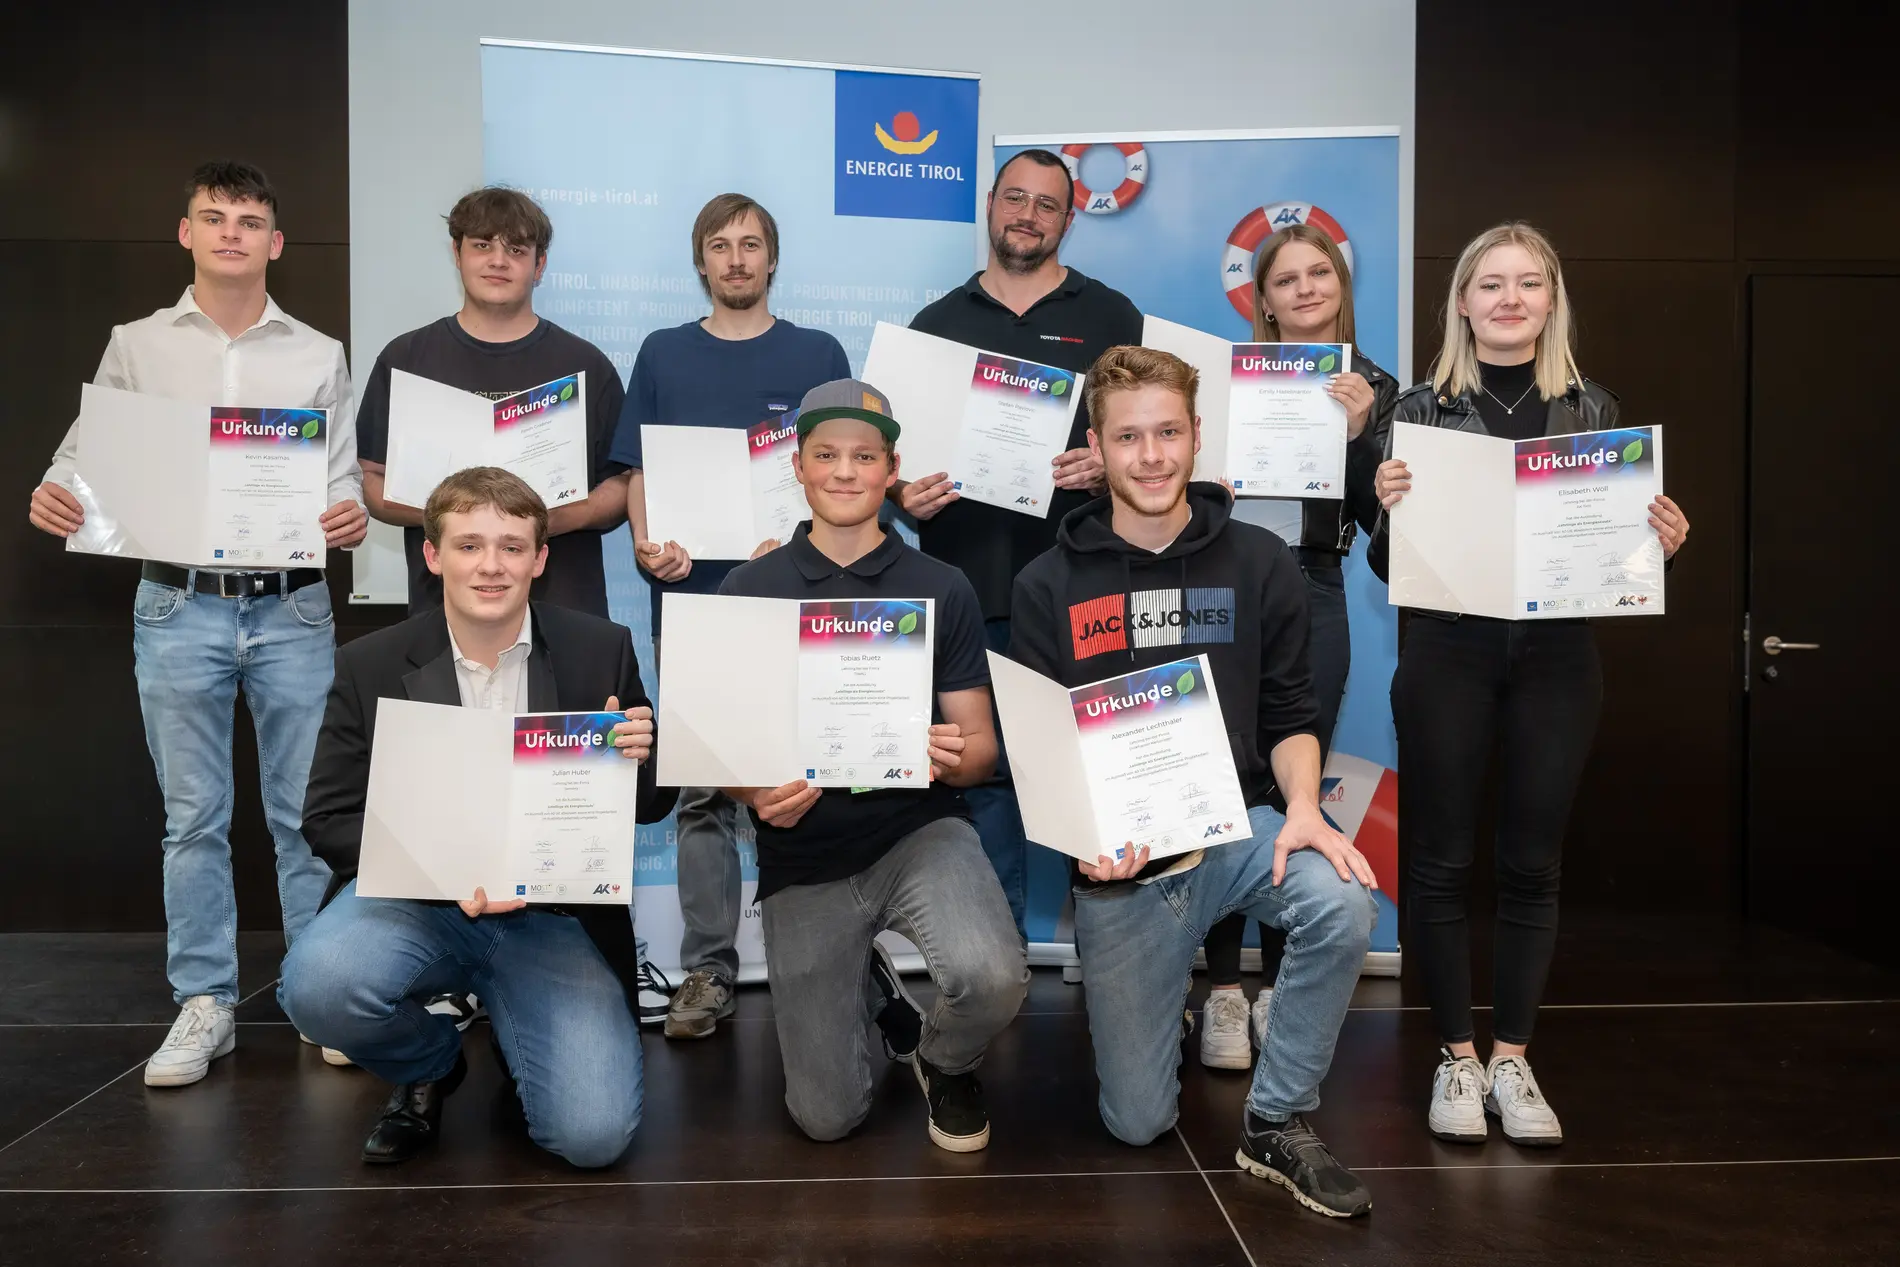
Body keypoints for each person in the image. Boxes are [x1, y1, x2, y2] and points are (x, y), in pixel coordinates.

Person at [1010, 346, 1376, 1219]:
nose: (1151, 455)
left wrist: (1301, 809)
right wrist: (1082, 840)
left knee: (1343, 899)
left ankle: (1276, 1117)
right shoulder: (1044, 584)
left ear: (1197, 435)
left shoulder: (1260, 561)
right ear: (1095, 449)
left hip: (1239, 833)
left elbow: (1292, 714)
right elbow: (1042, 750)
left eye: (1168, 431)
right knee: (1137, 1123)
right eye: (1128, 436)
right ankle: (1155, 1002)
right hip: (1126, 865)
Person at [27, 161, 367, 1086]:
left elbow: (338, 474)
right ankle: (205, 1002)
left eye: (249, 220)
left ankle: (315, 988)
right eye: (213, 219)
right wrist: (57, 491)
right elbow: (83, 454)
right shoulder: (136, 344)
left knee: (307, 815)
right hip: (178, 603)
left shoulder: (318, 352)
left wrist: (349, 512)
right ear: (186, 234)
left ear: (275, 242)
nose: (231, 233)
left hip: (293, 604)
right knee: (194, 817)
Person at [1368, 222, 1691, 1147]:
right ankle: (1457, 1060)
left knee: (1531, 863)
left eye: (1529, 284)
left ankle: (1513, 1056)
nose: (1509, 299)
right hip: (1447, 652)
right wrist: (1387, 509)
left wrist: (1659, 542)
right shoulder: (1419, 412)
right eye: (1491, 284)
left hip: (1556, 659)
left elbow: (1614, 555)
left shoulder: (1596, 409)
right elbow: (1395, 565)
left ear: (1552, 301)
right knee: (1435, 859)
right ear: (1462, 303)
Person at [280, 467, 676, 1167]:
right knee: (318, 986)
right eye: (468, 546)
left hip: (553, 917)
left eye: (511, 546)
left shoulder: (600, 648)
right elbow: (329, 817)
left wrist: (642, 756)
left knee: (590, 1138)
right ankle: (428, 1062)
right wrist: (442, 871)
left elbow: (649, 807)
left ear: (540, 557)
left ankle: (520, 1033)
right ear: (433, 556)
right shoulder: (367, 663)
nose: (490, 565)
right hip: (420, 902)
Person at [350, 185, 669, 1024]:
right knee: (452, 789)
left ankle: (567, 968)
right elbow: (374, 483)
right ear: (457, 253)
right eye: (482, 243)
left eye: (517, 247)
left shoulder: (585, 363)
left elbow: (620, 487)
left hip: (559, 609)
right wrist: (462, 520)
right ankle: (445, 970)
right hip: (448, 619)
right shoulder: (407, 357)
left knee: (560, 799)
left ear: (539, 263)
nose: (498, 258)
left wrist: (537, 523)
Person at [720, 379, 1028, 1152]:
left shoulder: (941, 586)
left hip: (918, 829)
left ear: (893, 469)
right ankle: (871, 985)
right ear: (797, 466)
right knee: (827, 1119)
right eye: (827, 454)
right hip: (807, 853)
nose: (845, 471)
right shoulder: (749, 588)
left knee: (993, 976)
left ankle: (942, 1055)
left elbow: (982, 745)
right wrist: (752, 791)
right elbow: (719, 749)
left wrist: (954, 758)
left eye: (865, 456)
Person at [609, 193, 851, 1040]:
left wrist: (789, 542)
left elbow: (842, 466)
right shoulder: (664, 353)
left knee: (812, 777)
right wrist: (647, 543)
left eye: (752, 244)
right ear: (701, 261)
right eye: (721, 245)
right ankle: (707, 970)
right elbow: (638, 467)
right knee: (707, 795)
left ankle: (824, 960)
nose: (737, 259)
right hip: (697, 603)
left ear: (773, 258)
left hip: (801, 601)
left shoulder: (817, 351)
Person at [899, 148, 1144, 935]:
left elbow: (1145, 443)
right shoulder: (934, 327)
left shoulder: (1112, 318)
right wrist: (904, 498)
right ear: (991, 208)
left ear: (1068, 220)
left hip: (1086, 584)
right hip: (971, 588)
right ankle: (994, 959)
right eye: (1015, 198)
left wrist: (1107, 466)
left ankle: (1118, 953)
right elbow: (894, 472)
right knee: (987, 778)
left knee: (1101, 765)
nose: (1027, 215)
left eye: (1046, 204)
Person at [1199, 223, 1400, 1070]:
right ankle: (1219, 991)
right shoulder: (1218, 377)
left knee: (1298, 775)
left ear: (1340, 285)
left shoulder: (1380, 386)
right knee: (1216, 775)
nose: (1307, 288)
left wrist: (1357, 437)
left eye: (1321, 273)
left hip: (1314, 583)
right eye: (1288, 278)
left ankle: (1280, 984)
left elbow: (1384, 516)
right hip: (1226, 579)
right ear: (1263, 297)